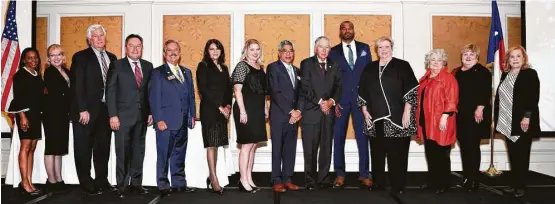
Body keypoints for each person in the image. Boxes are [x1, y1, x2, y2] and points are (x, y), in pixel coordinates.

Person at [357, 36, 418, 194]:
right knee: (377, 153)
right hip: (375, 117)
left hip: (397, 117)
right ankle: (378, 183)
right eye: (380, 48)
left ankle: (397, 186)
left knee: (397, 154)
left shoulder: (402, 66)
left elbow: (412, 89)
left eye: (387, 47)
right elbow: (362, 91)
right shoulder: (370, 68)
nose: (384, 50)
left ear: (392, 48)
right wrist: (364, 111)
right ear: (376, 51)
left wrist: (407, 111)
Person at [70, 24, 117, 195]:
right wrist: (82, 108)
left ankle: (102, 180)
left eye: (101, 35)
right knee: (83, 147)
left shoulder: (112, 57)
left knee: (103, 147)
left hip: (106, 111)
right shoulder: (81, 57)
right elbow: (77, 85)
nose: (99, 39)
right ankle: (85, 181)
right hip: (86, 112)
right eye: (95, 36)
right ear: (89, 39)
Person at [105, 34, 153, 198]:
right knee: (123, 152)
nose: (135, 49)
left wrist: (151, 112)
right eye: (131, 46)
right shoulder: (117, 65)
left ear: (142, 48)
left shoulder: (148, 66)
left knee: (139, 152)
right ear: (126, 48)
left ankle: (136, 184)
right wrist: (113, 115)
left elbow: (149, 92)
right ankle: (122, 186)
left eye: (138, 46)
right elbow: (110, 91)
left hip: (142, 117)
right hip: (122, 118)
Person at [149, 40, 196, 197]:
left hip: (182, 121)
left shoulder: (187, 72)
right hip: (166, 122)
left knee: (179, 153)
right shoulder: (157, 73)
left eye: (176, 50)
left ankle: (179, 183)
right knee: (163, 154)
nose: (173, 52)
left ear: (180, 52)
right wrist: (158, 119)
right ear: (164, 54)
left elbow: (191, 96)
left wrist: (192, 115)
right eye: (169, 50)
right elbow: (154, 98)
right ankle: (163, 185)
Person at [329, 20, 373, 188]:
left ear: (354, 30)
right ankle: (340, 174)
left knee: (363, 137)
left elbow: (369, 75)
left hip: (361, 102)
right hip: (341, 102)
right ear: (340, 31)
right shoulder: (333, 52)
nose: (347, 30)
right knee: (338, 137)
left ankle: (364, 174)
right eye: (343, 28)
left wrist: (368, 100)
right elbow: (330, 79)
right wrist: (334, 100)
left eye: (350, 28)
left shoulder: (364, 48)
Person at [495, 46, 540, 198]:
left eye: (518, 56)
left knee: (522, 154)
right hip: (508, 121)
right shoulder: (505, 74)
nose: (515, 59)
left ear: (524, 59)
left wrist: (527, 116)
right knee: (513, 154)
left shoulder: (530, 74)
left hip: (523, 121)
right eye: (512, 57)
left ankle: (521, 186)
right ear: (508, 60)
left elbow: (533, 97)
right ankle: (514, 184)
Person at [298, 36, 342, 190]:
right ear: (315, 48)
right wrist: (320, 102)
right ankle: (310, 180)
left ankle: (323, 178)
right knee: (310, 149)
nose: (324, 50)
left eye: (327, 47)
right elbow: (305, 87)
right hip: (311, 112)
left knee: (326, 146)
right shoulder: (306, 64)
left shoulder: (334, 65)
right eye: (321, 47)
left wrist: (331, 102)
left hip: (328, 113)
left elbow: (338, 87)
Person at [416, 48, 459, 195]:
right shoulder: (425, 78)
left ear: (444, 63)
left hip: (441, 122)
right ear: (428, 62)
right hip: (427, 122)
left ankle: (444, 184)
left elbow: (452, 99)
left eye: (438, 60)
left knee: (442, 154)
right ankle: (433, 182)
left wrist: (445, 116)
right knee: (431, 153)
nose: (435, 63)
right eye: (432, 60)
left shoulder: (448, 78)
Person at [453, 44, 491, 192]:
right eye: (465, 54)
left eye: (471, 54)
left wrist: (480, 108)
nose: (468, 57)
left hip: (475, 115)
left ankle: (474, 180)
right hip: (460, 115)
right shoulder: (458, 72)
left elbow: (485, 92)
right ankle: (467, 177)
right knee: (464, 147)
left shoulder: (482, 72)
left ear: (477, 56)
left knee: (472, 147)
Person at [232, 39, 268, 193]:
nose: (255, 52)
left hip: (257, 109)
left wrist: (265, 107)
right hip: (245, 109)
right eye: (252, 49)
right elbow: (237, 90)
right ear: (246, 50)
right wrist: (243, 111)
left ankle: (249, 178)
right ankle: (242, 180)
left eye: (257, 49)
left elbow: (262, 91)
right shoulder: (242, 65)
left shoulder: (260, 67)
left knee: (253, 145)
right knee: (246, 145)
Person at [196, 39, 233, 195]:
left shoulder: (224, 68)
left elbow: (228, 90)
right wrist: (219, 107)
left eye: (217, 48)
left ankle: (214, 176)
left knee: (217, 143)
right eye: (211, 49)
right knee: (211, 143)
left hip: (222, 111)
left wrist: (228, 107)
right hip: (210, 110)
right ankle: (213, 178)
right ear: (207, 51)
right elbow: (204, 89)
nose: (215, 51)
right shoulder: (203, 66)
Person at [9, 47, 45, 196]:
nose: (33, 60)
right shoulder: (20, 75)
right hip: (25, 114)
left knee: (32, 148)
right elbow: (18, 97)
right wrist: (22, 116)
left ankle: (29, 181)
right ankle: (24, 182)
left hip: (36, 115)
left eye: (35, 57)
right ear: (24, 60)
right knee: (25, 147)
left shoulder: (37, 75)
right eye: (29, 58)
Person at [267, 40, 302, 193]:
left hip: (294, 118)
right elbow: (275, 92)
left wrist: (298, 111)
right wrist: (290, 111)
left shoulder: (297, 70)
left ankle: (287, 179)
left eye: (291, 51)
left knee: (290, 149)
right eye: (285, 51)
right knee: (277, 149)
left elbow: (302, 94)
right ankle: (276, 180)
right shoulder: (273, 68)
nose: (288, 54)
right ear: (279, 53)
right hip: (279, 115)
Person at [43, 44, 71, 194]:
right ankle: (51, 181)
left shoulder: (67, 71)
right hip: (52, 114)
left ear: (63, 56)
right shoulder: (49, 72)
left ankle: (59, 179)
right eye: (52, 55)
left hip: (63, 115)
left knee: (59, 149)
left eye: (58, 54)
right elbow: (57, 94)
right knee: (51, 148)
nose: (56, 58)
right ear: (48, 59)